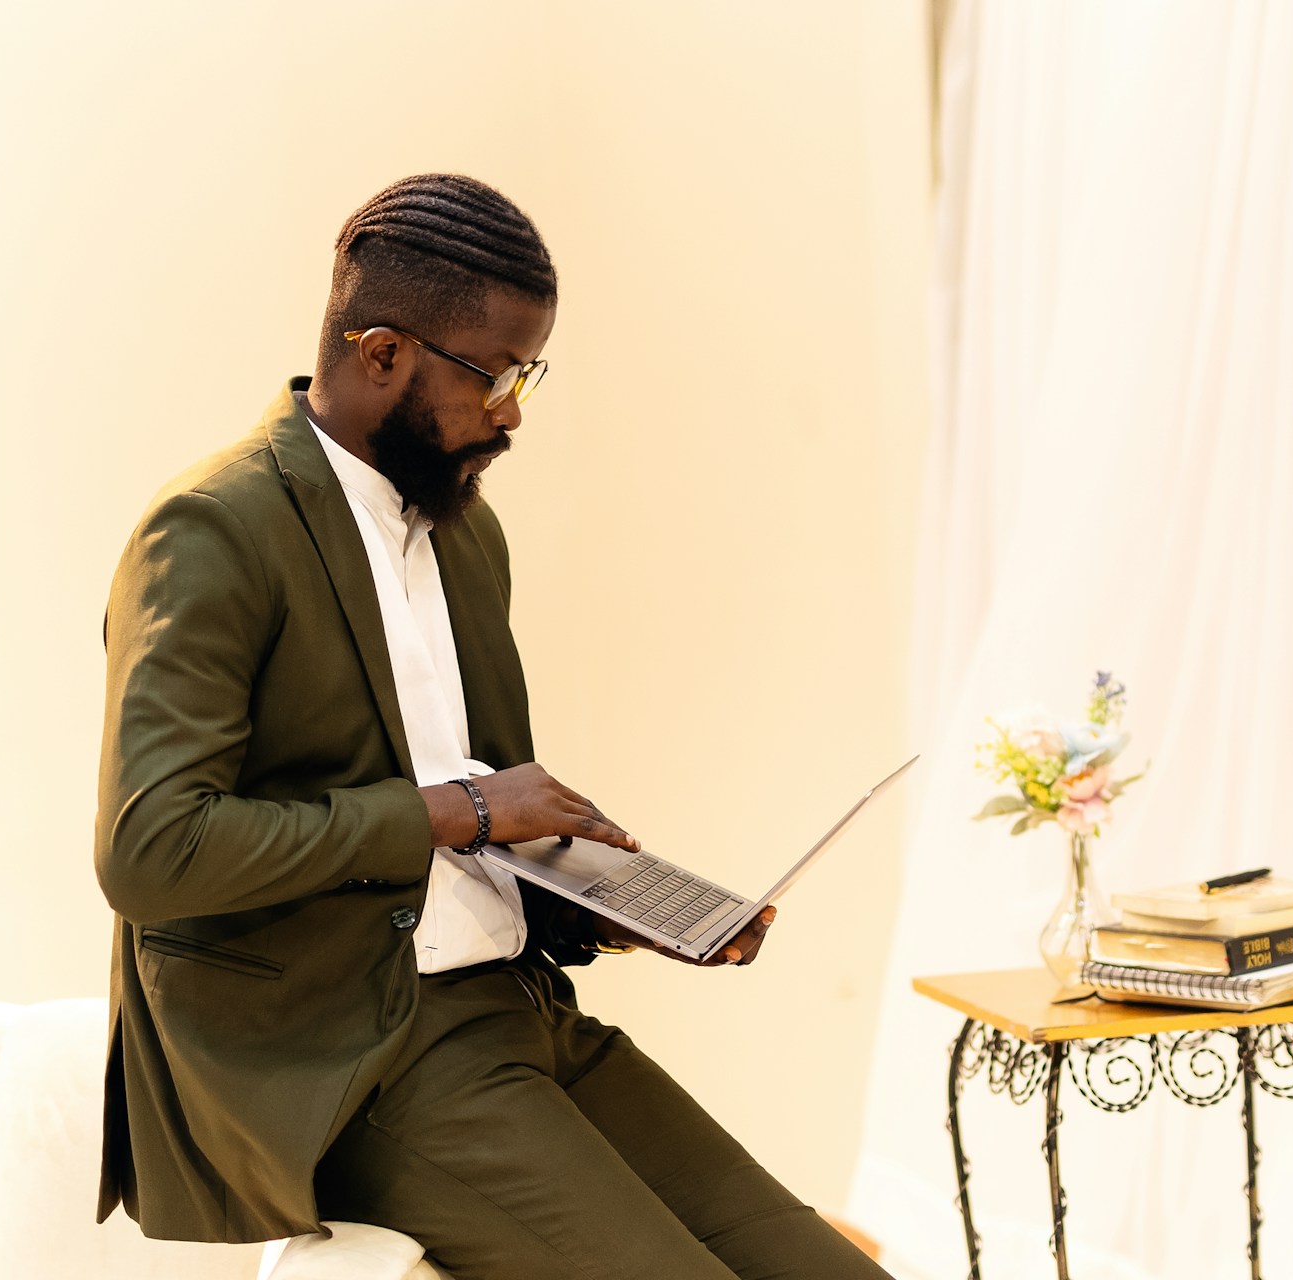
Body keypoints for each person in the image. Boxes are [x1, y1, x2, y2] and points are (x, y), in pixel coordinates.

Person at [93, 173, 891, 1279]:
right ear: (382, 353)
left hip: (520, 1009)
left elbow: (481, 819)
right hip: (351, 1058)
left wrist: (621, 906)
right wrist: (459, 809)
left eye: (528, 374)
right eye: (497, 374)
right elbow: (150, 849)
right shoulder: (214, 531)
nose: (512, 410)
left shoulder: (466, 536)